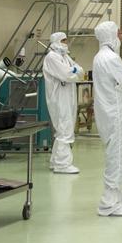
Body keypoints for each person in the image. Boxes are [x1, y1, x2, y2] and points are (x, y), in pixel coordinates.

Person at [92, 21, 122, 217]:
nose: (121, 36)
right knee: (118, 156)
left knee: (118, 154)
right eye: (118, 33)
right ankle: (108, 203)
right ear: (110, 34)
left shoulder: (100, 56)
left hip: (110, 112)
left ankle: (118, 196)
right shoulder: (111, 58)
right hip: (115, 113)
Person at [42, 31, 83, 174]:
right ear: (56, 41)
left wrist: (74, 71)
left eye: (66, 40)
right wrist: (74, 72)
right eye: (63, 40)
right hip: (58, 97)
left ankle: (55, 161)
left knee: (64, 127)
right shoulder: (52, 57)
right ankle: (62, 164)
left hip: (67, 95)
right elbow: (66, 75)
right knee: (64, 128)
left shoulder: (65, 56)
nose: (66, 43)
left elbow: (80, 71)